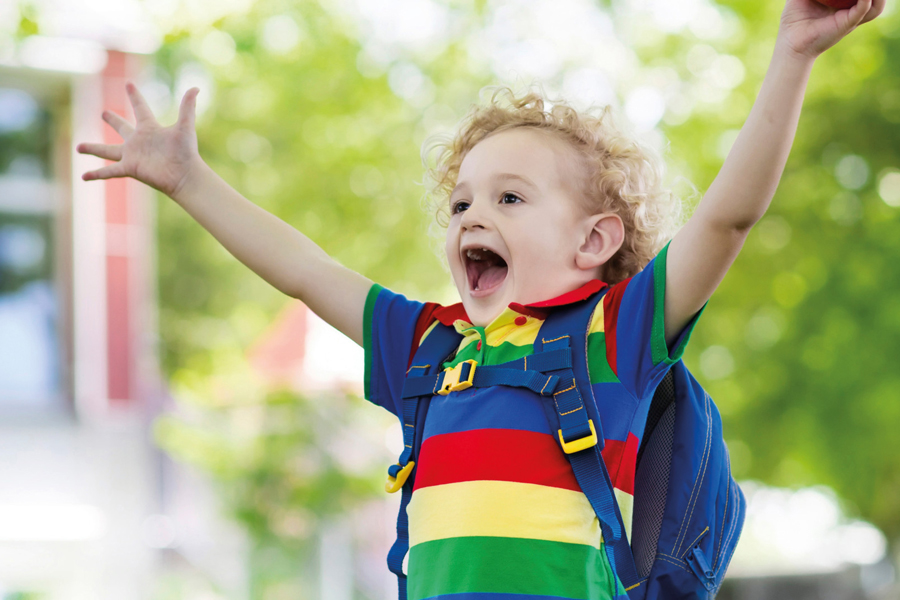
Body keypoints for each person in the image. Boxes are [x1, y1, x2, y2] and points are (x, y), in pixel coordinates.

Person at [77, 1, 884, 598]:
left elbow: (729, 217)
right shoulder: (428, 345)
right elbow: (304, 269)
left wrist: (794, 56)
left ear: (595, 242)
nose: (472, 217)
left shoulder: (615, 336)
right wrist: (189, 181)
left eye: (510, 199)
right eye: (461, 203)